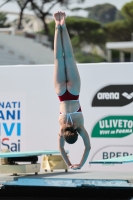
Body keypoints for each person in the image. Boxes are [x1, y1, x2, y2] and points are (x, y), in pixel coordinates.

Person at [53, 11, 91, 170]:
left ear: (76, 133)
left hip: (74, 92)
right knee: (58, 58)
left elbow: (88, 147)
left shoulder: (80, 126)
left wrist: (79, 164)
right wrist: (69, 164)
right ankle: (57, 25)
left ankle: (63, 24)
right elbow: (61, 149)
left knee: (68, 57)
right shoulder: (61, 129)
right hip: (62, 93)